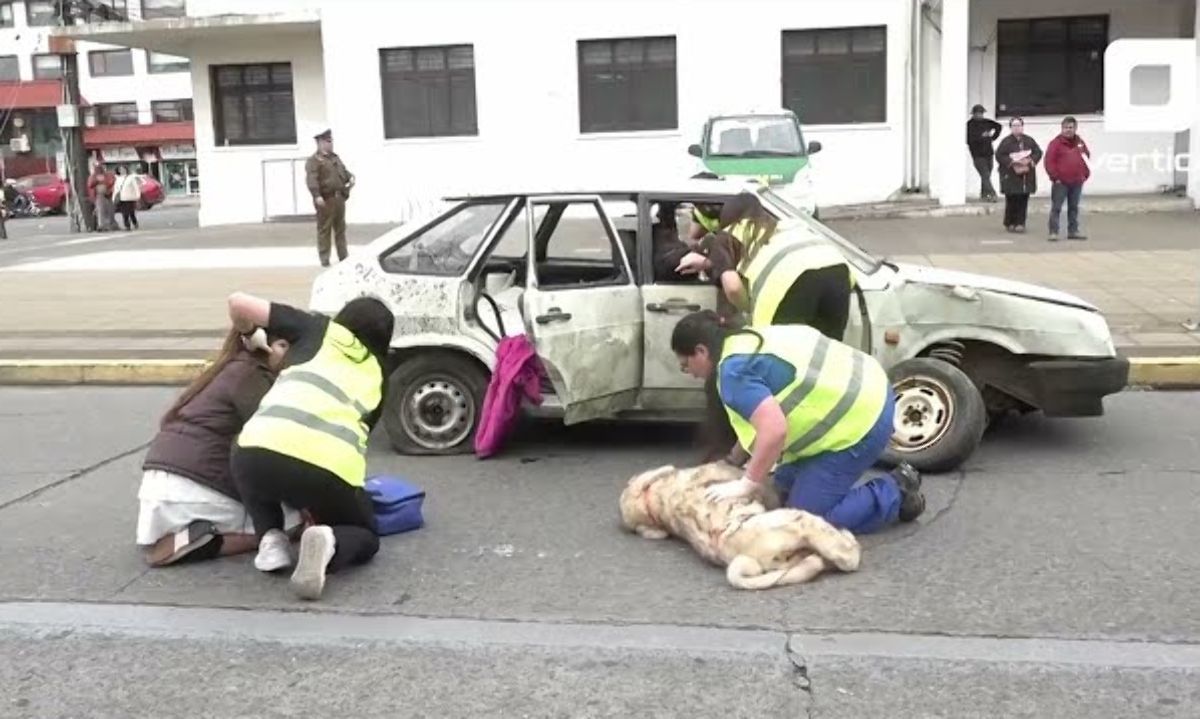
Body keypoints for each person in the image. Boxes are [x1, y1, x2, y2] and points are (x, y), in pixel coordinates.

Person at [671, 310, 925, 534]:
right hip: (867, 386)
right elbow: (762, 419)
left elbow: (773, 431)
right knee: (779, 493)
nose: (690, 374)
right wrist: (732, 461)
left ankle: (897, 489)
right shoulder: (747, 340)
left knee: (808, 518)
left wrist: (746, 484)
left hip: (862, 419)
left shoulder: (732, 373)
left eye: (686, 365)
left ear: (701, 351)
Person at [228, 292, 394, 600]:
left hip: (255, 454)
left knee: (246, 448)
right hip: (327, 470)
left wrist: (252, 337)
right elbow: (357, 437)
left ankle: (271, 539)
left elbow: (237, 301)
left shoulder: (316, 328)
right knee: (367, 535)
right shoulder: (380, 374)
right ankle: (330, 540)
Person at [137, 326, 299, 566]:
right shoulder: (252, 377)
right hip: (199, 490)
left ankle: (189, 535)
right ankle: (210, 541)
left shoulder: (227, 369)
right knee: (290, 526)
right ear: (260, 344)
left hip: (161, 489)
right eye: (283, 346)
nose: (292, 355)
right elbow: (277, 443)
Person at [305, 128, 356, 267]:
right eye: (328, 141)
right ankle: (324, 258)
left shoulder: (335, 158)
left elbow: (343, 172)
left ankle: (343, 256)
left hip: (339, 198)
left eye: (331, 141)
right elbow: (312, 179)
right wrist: (316, 195)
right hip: (325, 199)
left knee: (340, 229)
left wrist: (350, 178)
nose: (330, 144)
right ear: (320, 143)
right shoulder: (314, 160)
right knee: (324, 229)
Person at [1044, 116, 1091, 242]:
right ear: (1062, 128)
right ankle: (1053, 232)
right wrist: (1055, 177)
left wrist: (1085, 174)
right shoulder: (1055, 143)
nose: (1068, 130)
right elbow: (1049, 161)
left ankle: (1073, 231)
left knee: (1074, 207)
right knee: (1057, 207)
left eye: (1070, 128)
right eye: (1065, 128)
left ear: (1075, 128)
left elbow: (1086, 156)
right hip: (1061, 182)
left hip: (1077, 181)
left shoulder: (1080, 142)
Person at [995, 117, 1042, 234]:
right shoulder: (1006, 142)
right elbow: (999, 155)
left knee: (1023, 199)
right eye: (1014, 126)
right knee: (1011, 199)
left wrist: (1030, 160)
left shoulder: (1029, 140)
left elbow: (1038, 152)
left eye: (1019, 125)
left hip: (1025, 175)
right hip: (1011, 174)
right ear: (1011, 128)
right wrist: (1012, 162)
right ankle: (1010, 222)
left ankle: (1020, 223)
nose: (1017, 128)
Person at [966, 104, 1002, 202]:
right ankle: (992, 193)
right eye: (978, 113)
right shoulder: (969, 125)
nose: (980, 115)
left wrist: (993, 137)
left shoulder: (986, 122)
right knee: (985, 174)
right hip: (977, 154)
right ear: (973, 114)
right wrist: (982, 137)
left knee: (987, 175)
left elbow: (998, 126)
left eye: (981, 113)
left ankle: (984, 194)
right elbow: (969, 140)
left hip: (988, 152)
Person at [87, 164, 118, 232]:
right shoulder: (93, 176)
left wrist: (104, 182)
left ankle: (111, 224)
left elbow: (112, 181)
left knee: (110, 210)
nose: (99, 170)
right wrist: (97, 180)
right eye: (97, 168)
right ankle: (102, 225)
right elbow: (90, 184)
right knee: (101, 210)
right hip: (99, 195)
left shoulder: (108, 175)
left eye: (100, 168)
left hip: (108, 194)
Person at [113, 166, 143, 230]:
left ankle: (134, 222)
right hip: (122, 198)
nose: (122, 171)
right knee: (124, 213)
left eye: (123, 169)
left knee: (131, 212)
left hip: (130, 198)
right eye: (120, 170)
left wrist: (138, 195)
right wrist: (114, 197)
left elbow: (136, 187)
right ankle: (127, 225)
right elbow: (116, 189)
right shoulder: (118, 179)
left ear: (126, 170)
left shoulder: (130, 178)